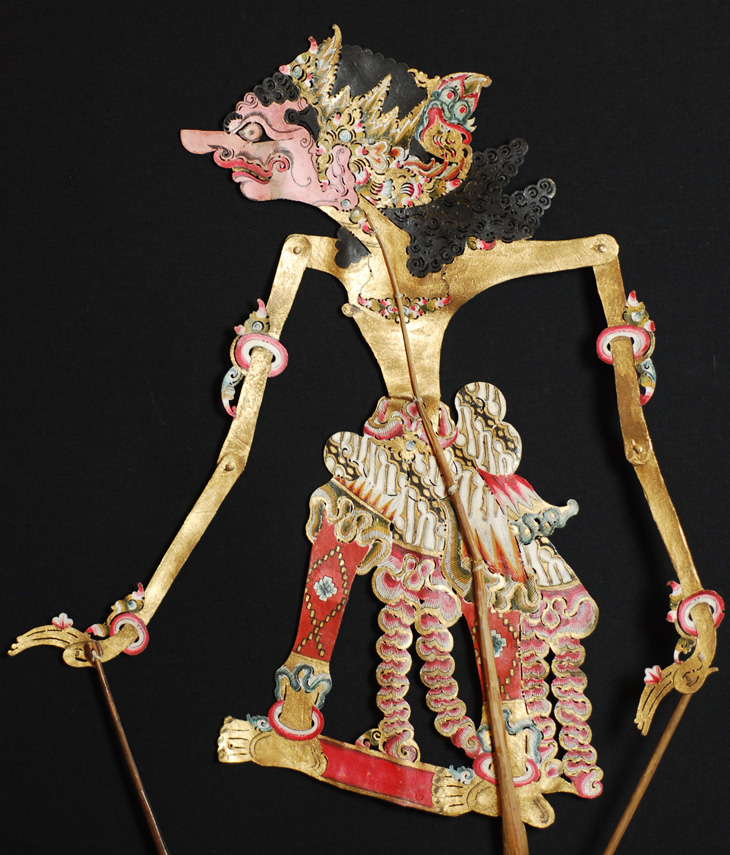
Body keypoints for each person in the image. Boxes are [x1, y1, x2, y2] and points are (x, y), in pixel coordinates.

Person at [180, 26, 608, 825]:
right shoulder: (312, 253)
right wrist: (141, 608)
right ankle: (297, 717)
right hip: (383, 445)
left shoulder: (454, 258)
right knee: (339, 520)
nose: (236, 151)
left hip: (450, 449)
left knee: (489, 560)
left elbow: (594, 252)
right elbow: (233, 454)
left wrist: (624, 335)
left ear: (344, 149)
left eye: (266, 135)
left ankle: (514, 754)